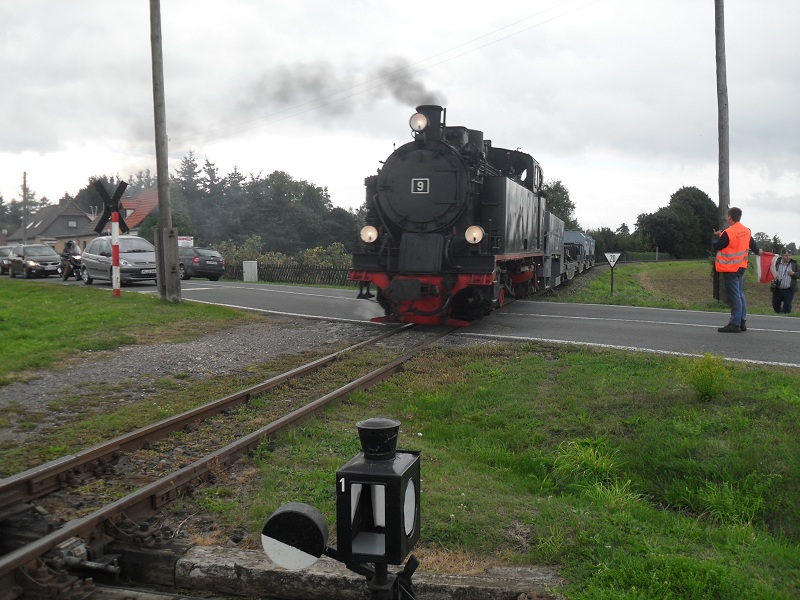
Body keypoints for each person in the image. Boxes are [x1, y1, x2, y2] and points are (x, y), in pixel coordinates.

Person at [712, 206, 761, 333]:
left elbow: (717, 245)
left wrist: (716, 237)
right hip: (741, 267)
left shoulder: (728, 233)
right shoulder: (746, 231)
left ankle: (734, 324)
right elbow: (754, 247)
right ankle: (742, 321)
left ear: (730, 217)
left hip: (730, 268)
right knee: (740, 295)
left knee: (735, 296)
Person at [771, 248, 798, 314]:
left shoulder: (794, 264)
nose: (787, 257)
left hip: (789, 289)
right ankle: (780, 316)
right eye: (785, 255)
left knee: (787, 306)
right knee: (775, 305)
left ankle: (787, 319)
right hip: (777, 289)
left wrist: (794, 274)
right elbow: (770, 272)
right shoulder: (776, 263)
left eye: (789, 255)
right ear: (782, 256)